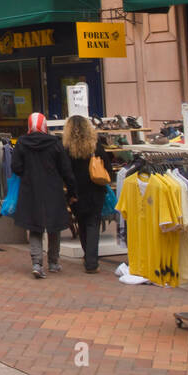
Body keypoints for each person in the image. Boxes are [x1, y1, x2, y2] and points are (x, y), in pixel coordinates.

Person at [11, 112, 77, 278]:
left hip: (31, 189)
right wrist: (72, 190)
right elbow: (66, 169)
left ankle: (37, 263)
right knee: (54, 226)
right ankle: (54, 262)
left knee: (35, 227)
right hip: (52, 189)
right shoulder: (55, 143)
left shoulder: (21, 143)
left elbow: (16, 167)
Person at [63, 113, 114, 274]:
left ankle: (88, 256)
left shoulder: (67, 149)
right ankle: (91, 261)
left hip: (77, 191)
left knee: (82, 224)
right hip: (95, 190)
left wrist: (70, 193)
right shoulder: (96, 146)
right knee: (93, 224)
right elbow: (108, 169)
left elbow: (66, 172)